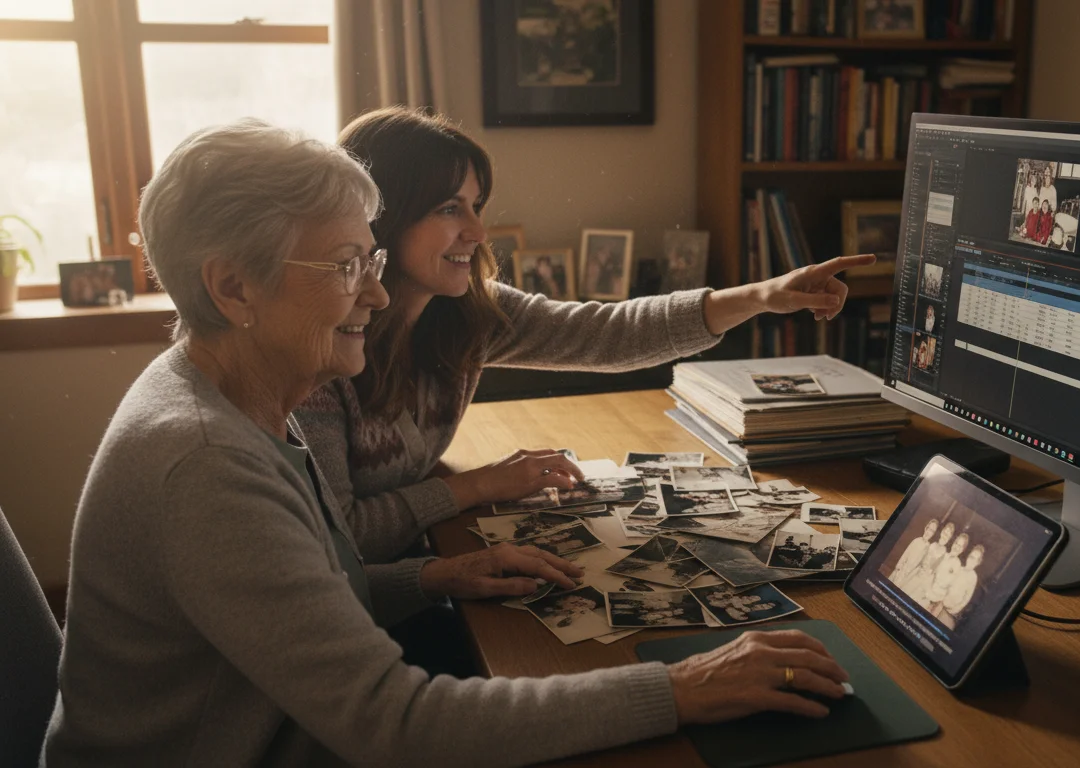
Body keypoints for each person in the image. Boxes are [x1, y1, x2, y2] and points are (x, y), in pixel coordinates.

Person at [41, 120, 851, 766]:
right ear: (233, 287)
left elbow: (308, 588)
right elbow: (397, 727)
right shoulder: (206, 462)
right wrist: (680, 686)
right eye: (348, 264)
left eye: (374, 259)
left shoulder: (234, 389)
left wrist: (430, 577)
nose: (379, 290)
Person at [295, 106, 873, 605]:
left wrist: (762, 297)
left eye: (477, 204)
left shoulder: (468, 315)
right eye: (450, 208)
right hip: (377, 603)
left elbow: (608, 333)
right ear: (381, 218)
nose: (477, 229)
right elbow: (346, 535)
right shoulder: (320, 354)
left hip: (428, 561)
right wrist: (479, 486)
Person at [903, 522, 955, 604]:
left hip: (925, 583)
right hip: (916, 574)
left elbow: (936, 573)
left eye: (947, 535)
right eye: (945, 533)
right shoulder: (932, 545)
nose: (945, 536)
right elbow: (921, 560)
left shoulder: (944, 555)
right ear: (941, 532)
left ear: (949, 538)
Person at [937, 544, 984, 629]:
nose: (971, 560)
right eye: (971, 556)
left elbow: (966, 598)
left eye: (974, 559)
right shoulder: (959, 568)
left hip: (950, 612)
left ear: (978, 562)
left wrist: (955, 609)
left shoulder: (973, 577)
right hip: (940, 603)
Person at [923, 533, 969, 611]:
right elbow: (930, 571)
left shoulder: (958, 566)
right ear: (953, 543)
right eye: (956, 543)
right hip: (926, 592)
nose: (956, 547)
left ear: (962, 550)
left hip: (936, 601)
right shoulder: (943, 555)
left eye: (960, 546)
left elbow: (950, 587)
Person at [891, 519, 939, 588]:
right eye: (928, 528)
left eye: (932, 531)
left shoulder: (929, 548)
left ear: (933, 534)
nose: (928, 532)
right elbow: (905, 554)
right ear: (925, 528)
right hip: (901, 571)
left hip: (911, 576)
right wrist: (899, 567)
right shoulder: (916, 540)